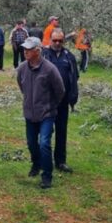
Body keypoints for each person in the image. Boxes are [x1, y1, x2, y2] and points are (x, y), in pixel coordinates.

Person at [16, 37, 66, 189]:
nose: (25, 52)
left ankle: (47, 176)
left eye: (29, 49)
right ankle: (36, 164)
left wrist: (50, 106)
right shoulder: (22, 68)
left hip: (46, 114)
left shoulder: (50, 69)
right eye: (24, 49)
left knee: (44, 143)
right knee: (32, 143)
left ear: (38, 51)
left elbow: (60, 91)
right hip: (29, 114)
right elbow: (22, 86)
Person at [42, 28, 79, 173]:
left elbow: (74, 77)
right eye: (55, 40)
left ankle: (60, 161)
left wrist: (73, 96)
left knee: (61, 131)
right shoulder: (43, 54)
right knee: (45, 132)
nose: (57, 43)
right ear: (50, 39)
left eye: (60, 40)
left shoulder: (69, 56)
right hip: (47, 100)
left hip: (63, 101)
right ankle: (44, 161)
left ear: (64, 41)